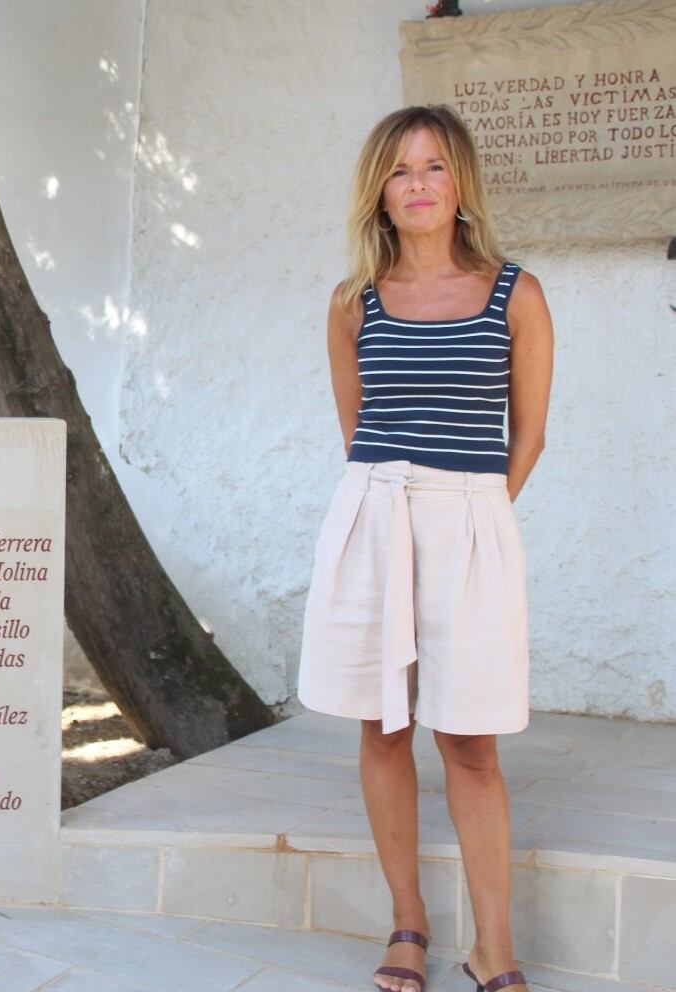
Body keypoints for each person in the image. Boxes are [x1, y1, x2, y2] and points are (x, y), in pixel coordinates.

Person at [297, 104, 554, 992]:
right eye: (401, 170)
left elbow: (527, 438)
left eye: (435, 167)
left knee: (472, 744)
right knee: (384, 726)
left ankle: (494, 949)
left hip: (471, 521)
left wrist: (470, 521)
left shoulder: (515, 291)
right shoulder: (351, 302)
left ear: (461, 183)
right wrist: (397, 517)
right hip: (375, 512)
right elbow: (354, 426)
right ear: (380, 190)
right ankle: (407, 920)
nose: (418, 184)